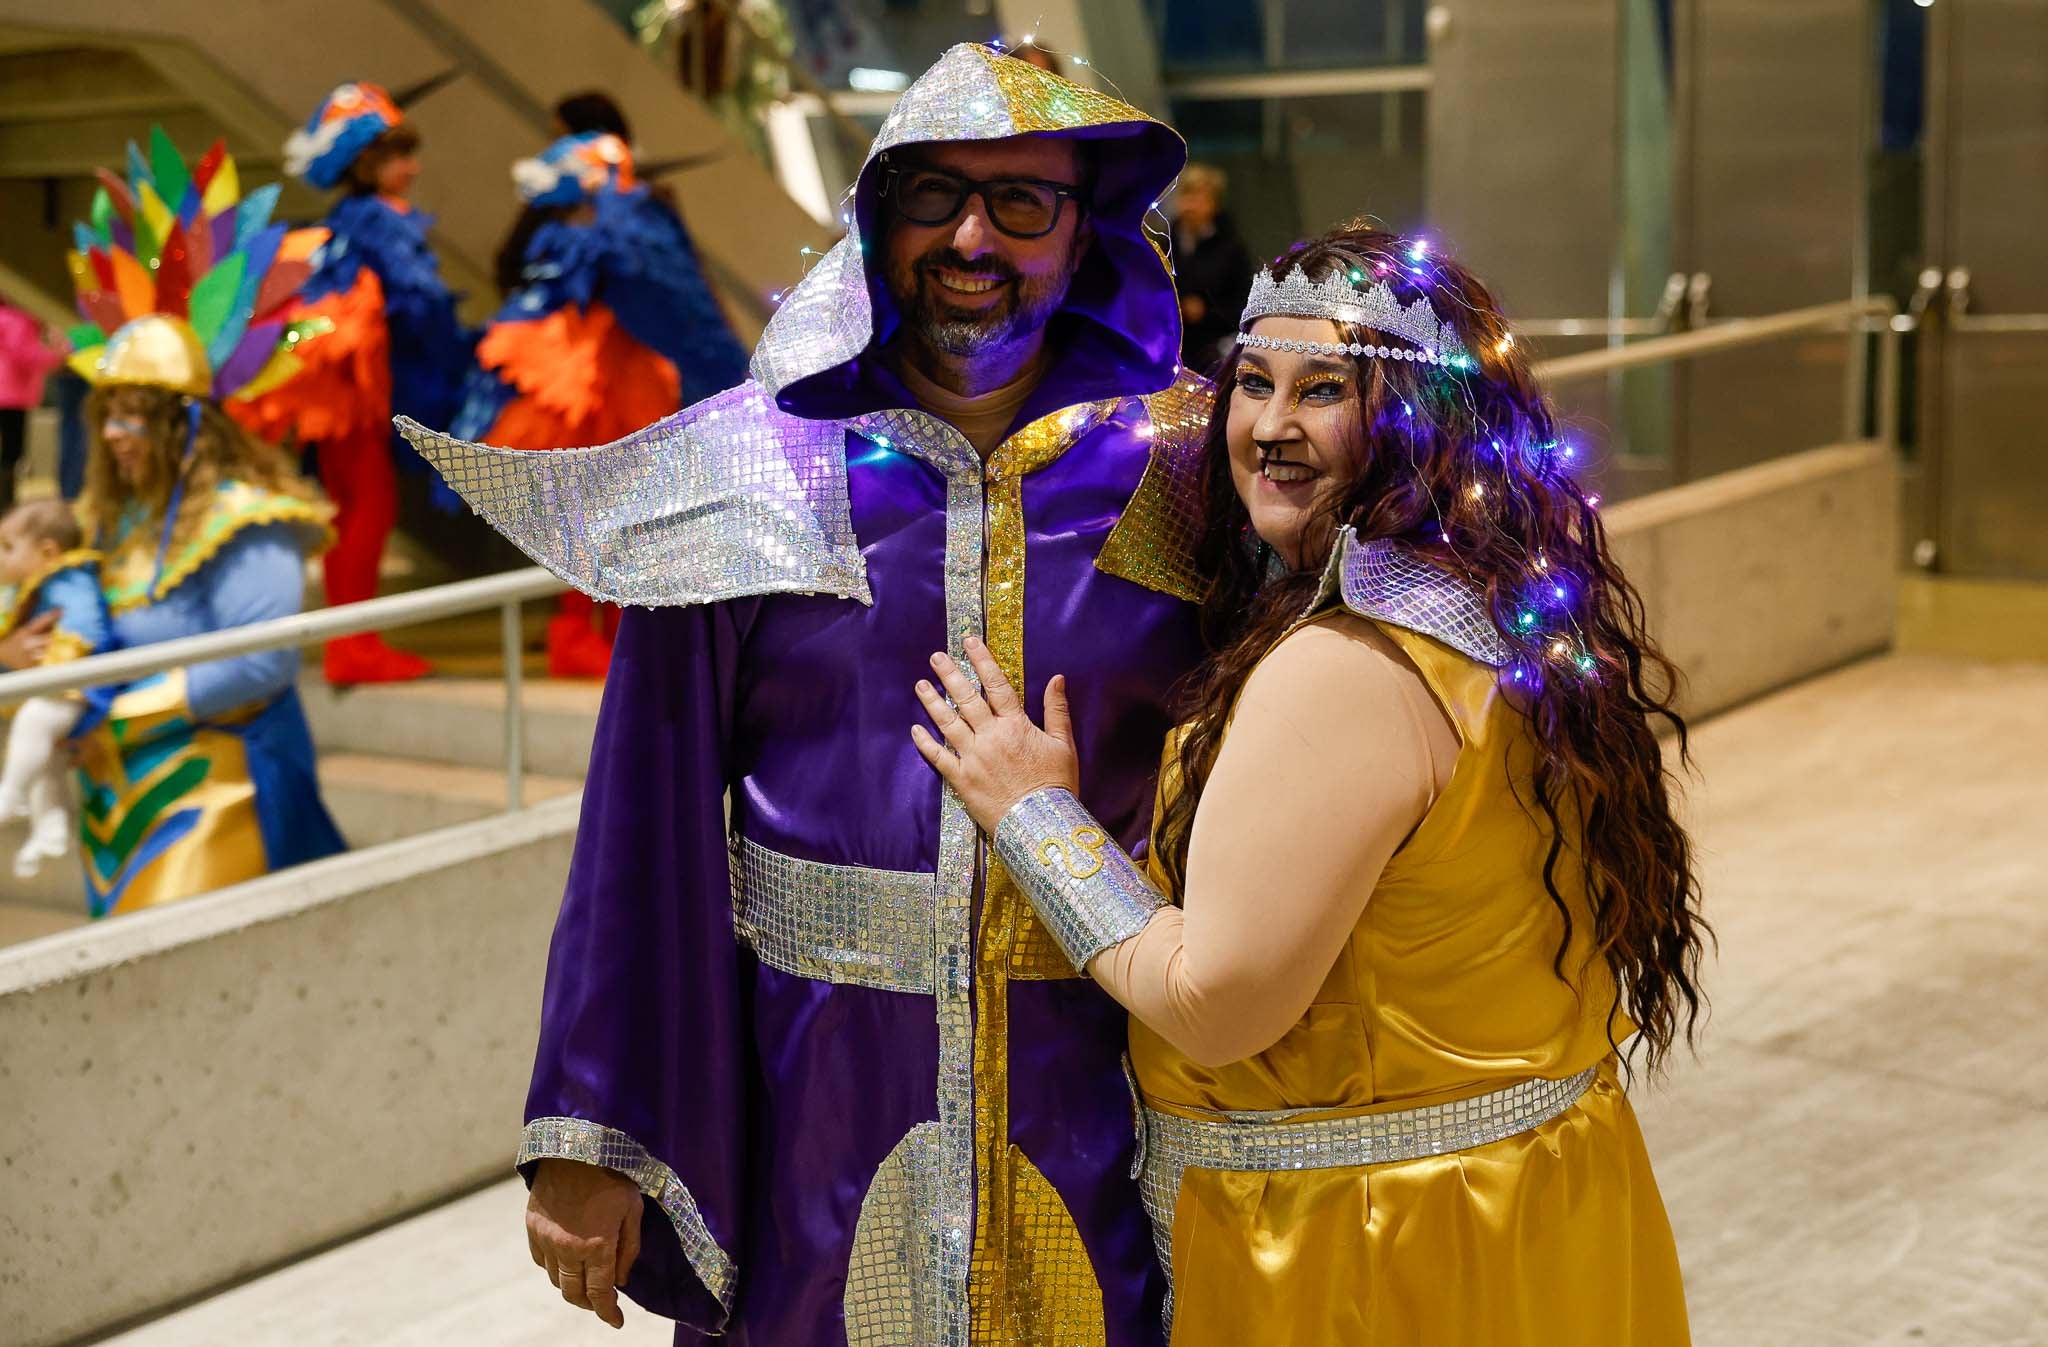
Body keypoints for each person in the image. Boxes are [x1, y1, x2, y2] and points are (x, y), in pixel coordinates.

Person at [400, 42, 1209, 1344]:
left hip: (1109, 1086)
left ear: (1086, 225)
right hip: (817, 1093)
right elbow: (641, 821)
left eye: (1022, 203)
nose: (971, 236)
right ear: (877, 216)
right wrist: (591, 1125)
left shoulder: (1188, 466)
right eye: (934, 194)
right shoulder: (757, 464)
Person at [910, 223, 1702, 1344]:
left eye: (1322, 389)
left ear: (1417, 420)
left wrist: (1033, 819)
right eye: (1252, 384)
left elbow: (1216, 1003)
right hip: (1528, 1204)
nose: (1269, 428)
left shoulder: (1344, 667)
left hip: (1363, 1260)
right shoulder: (1500, 608)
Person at [62, 128, 346, 918]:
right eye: (108, 414)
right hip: (116, 793)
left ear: (184, 426)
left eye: (136, 416)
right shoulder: (108, 517)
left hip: (224, 783)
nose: (116, 434)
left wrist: (117, 711)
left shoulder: (250, 519)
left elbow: (259, 666)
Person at [454, 130, 748, 677]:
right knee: (591, 509)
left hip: (620, 373)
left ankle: (610, 631)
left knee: (617, 509)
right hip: (581, 380)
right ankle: (576, 631)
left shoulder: (600, 234)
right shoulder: (580, 241)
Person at [234, 81, 474, 685]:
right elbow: (417, 300)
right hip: (354, 385)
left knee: (357, 504)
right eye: (397, 156)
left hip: (346, 385)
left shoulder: (349, 217)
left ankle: (352, 639)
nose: (411, 168)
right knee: (368, 504)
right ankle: (352, 644)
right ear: (365, 163)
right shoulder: (377, 218)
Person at [0, 498, 111, 878]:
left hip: (76, 681)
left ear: (47, 551)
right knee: (46, 761)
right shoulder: (30, 587)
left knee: (33, 724)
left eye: (7, 547)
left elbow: (85, 625)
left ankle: (10, 795)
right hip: (57, 680)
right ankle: (50, 828)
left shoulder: (70, 579)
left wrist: (62, 661)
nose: (0, 556)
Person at [1169, 163, 1252, 376]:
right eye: (1188, 195)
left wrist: (1205, 313)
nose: (1192, 205)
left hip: (1214, 353)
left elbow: (1243, 306)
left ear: (1214, 203)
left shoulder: (1232, 248)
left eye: (1200, 197)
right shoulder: (1164, 241)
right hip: (1171, 349)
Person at [0, 295, 65, 513]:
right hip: (11, 396)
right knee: (12, 453)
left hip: (8, 395)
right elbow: (27, 354)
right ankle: (6, 503)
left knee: (9, 452)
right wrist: (59, 354)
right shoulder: (18, 319)